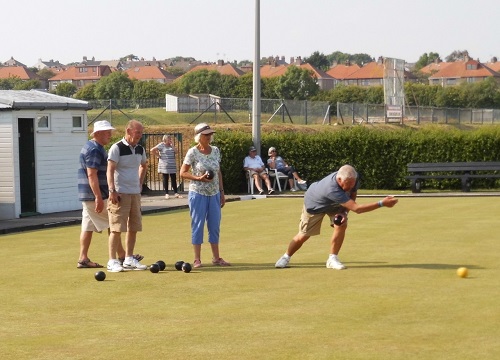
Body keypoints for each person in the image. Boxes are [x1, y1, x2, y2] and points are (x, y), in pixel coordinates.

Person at [275, 164, 398, 270]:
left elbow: (352, 194)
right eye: (347, 185)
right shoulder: (332, 189)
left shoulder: (351, 178)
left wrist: (344, 212)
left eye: (352, 184)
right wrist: (382, 203)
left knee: (341, 224)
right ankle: (286, 257)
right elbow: (357, 209)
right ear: (339, 180)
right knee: (304, 235)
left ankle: (332, 259)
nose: (349, 187)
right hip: (315, 204)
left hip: (334, 204)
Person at [179, 123, 230, 268]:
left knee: (214, 225)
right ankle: (197, 259)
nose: (209, 137)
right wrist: (198, 178)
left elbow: (218, 171)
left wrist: (221, 192)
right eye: (206, 134)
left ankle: (216, 258)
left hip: (214, 193)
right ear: (198, 136)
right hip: (198, 193)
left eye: (210, 134)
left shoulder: (215, 150)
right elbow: (182, 173)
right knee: (198, 225)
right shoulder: (192, 152)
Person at [106, 119, 148, 272]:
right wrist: (112, 190)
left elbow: (144, 165)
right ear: (129, 131)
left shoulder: (140, 149)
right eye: (138, 132)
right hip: (119, 193)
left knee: (133, 227)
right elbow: (110, 170)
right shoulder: (116, 148)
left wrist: (140, 183)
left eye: (141, 133)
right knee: (116, 228)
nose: (140, 136)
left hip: (134, 193)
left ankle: (129, 259)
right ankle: (112, 261)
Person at [150, 134, 183, 199]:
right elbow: (152, 150)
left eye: (170, 138)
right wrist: (158, 155)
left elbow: (176, 152)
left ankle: (176, 193)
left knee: (173, 178)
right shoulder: (161, 145)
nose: (170, 140)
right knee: (166, 178)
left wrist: (172, 145)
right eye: (169, 139)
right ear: (165, 139)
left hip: (172, 164)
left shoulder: (171, 146)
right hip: (164, 164)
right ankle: (166, 193)